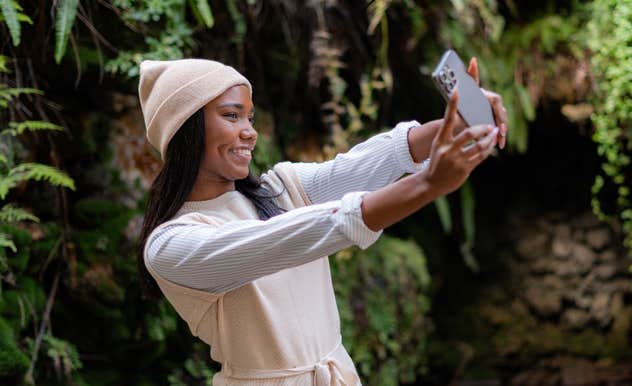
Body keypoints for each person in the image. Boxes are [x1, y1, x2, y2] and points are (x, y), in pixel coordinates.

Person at [136, 58, 507, 386]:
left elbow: (369, 162)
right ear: (186, 129)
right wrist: (426, 184)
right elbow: (285, 239)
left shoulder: (280, 190)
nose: (249, 131)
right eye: (232, 116)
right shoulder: (171, 246)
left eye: (250, 117)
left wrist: (452, 125)